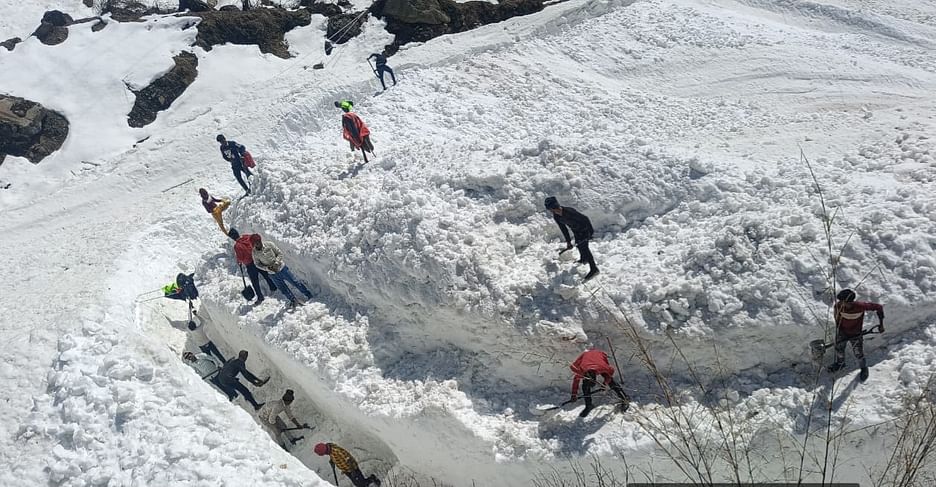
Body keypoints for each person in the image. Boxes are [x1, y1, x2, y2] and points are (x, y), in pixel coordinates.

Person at [828, 289, 885, 381]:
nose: (840, 304)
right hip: (842, 332)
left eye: (843, 302)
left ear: (849, 302)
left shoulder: (860, 306)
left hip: (856, 333)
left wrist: (881, 324)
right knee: (839, 349)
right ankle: (840, 364)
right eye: (840, 301)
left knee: (858, 352)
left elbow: (879, 307)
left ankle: (863, 368)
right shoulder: (838, 307)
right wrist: (840, 332)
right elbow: (837, 319)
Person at [250, 234, 314, 308]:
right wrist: (267, 268)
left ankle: (308, 295)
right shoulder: (254, 253)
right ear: (254, 244)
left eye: (259, 241)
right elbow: (257, 264)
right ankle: (293, 301)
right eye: (256, 243)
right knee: (283, 289)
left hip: (282, 268)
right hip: (272, 274)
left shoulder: (269, 244)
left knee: (295, 282)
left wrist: (276, 263)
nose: (259, 243)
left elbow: (279, 253)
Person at [545, 196, 599, 282]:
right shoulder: (557, 217)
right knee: (579, 245)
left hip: (584, 229)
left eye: (553, 209)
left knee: (585, 248)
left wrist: (590, 232)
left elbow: (585, 219)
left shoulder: (569, 211)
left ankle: (594, 269)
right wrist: (568, 242)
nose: (553, 211)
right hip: (576, 231)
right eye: (551, 210)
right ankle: (583, 258)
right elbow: (564, 229)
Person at [570, 349, 630, 418]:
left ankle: (624, 398)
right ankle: (589, 405)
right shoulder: (581, 371)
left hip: (600, 355)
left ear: (596, 375)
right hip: (586, 354)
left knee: (610, 380)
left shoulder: (603, 367)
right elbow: (576, 381)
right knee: (585, 386)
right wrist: (573, 395)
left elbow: (611, 371)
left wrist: (605, 383)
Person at [228, 228, 278, 305]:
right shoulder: (247, 237)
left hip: (250, 265)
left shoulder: (237, 246)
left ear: (232, 238)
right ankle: (273, 287)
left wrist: (239, 262)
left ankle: (260, 297)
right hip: (258, 259)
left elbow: (240, 257)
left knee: (255, 281)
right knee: (265, 274)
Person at [313, 442, 381, 487]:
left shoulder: (336, 451)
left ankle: (372, 478)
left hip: (352, 468)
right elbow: (333, 456)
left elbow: (348, 458)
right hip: (346, 470)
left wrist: (353, 471)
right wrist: (332, 461)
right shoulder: (330, 450)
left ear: (325, 451)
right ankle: (370, 480)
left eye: (323, 454)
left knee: (361, 484)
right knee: (357, 483)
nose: (324, 455)